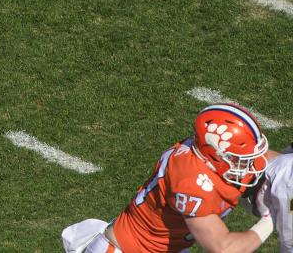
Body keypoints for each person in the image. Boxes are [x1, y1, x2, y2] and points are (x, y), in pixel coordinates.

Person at [61, 103, 274, 252]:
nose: (250, 165)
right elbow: (222, 248)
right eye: (241, 158)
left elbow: (270, 160)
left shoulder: (204, 154)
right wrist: (272, 218)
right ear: (216, 154)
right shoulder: (192, 182)